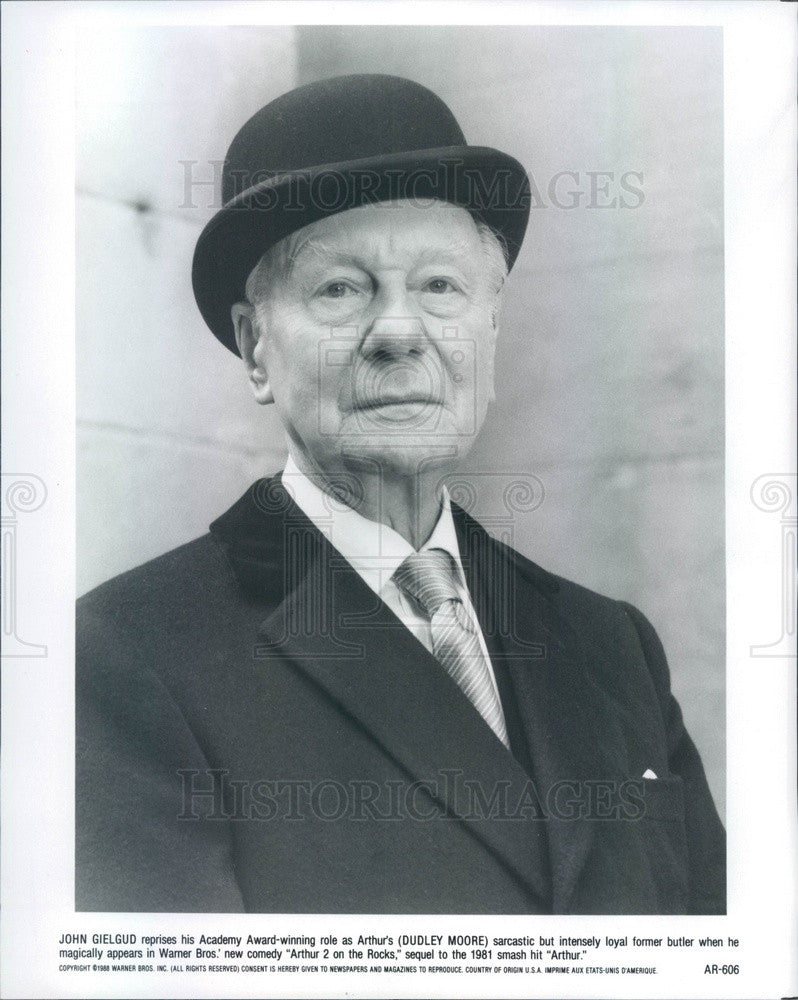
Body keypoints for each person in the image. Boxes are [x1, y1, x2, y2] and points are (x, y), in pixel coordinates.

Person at [76, 73, 725, 914]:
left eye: (440, 287)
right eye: (339, 289)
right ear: (255, 348)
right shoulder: (128, 655)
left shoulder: (613, 647)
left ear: (491, 329)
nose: (397, 332)